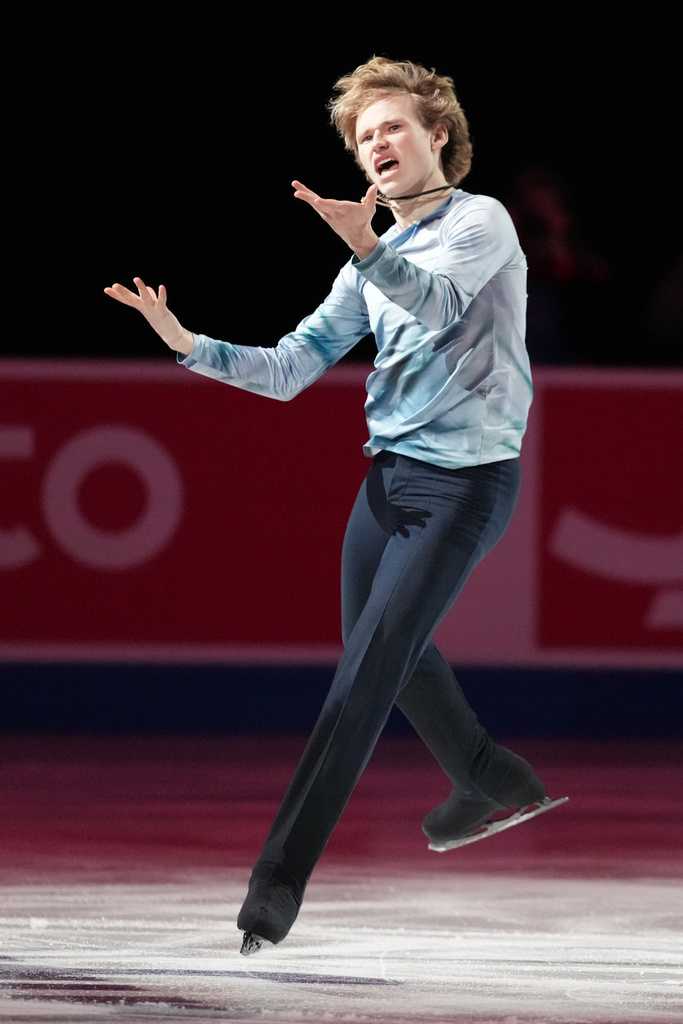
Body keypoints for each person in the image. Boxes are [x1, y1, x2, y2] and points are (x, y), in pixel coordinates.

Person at [104, 55, 568, 957]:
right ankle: (491, 777)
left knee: (362, 681)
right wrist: (186, 342)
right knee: (388, 655)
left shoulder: (482, 222)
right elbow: (288, 369)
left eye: (391, 126)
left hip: (465, 488)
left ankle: (272, 890)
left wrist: (365, 245)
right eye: (362, 137)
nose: (375, 144)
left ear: (438, 135)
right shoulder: (368, 264)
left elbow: (435, 307)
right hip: (385, 486)